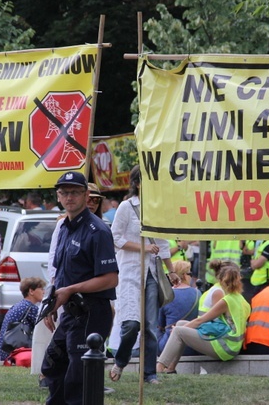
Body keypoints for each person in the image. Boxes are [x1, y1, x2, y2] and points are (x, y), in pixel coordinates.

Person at [40, 171, 118, 405]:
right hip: (69, 312)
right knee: (52, 366)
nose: (69, 197)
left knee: (78, 377)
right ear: (58, 196)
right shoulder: (64, 226)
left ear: (86, 195)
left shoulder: (98, 231)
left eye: (75, 192)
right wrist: (53, 299)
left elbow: (110, 279)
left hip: (91, 312)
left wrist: (70, 290)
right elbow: (61, 273)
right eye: (64, 192)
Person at [109, 165, 179, 385]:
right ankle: (121, 360)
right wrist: (143, 248)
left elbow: (162, 241)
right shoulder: (126, 207)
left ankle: (150, 373)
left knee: (150, 326)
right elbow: (115, 238)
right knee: (131, 325)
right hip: (129, 272)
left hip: (152, 274)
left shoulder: (158, 208)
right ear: (138, 183)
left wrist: (172, 270)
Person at [156, 264, 250, 374]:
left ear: (220, 280)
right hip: (232, 344)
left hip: (225, 347)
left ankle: (159, 367)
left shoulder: (226, 301)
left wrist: (176, 330)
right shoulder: (242, 300)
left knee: (178, 330)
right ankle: (170, 369)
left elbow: (200, 320)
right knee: (181, 324)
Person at [157, 260, 201, 355]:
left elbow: (160, 325)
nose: (191, 277)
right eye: (190, 273)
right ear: (184, 275)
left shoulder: (166, 296)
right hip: (193, 345)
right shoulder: (198, 294)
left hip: (168, 346)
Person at [0, 277, 46, 361]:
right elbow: (42, 328)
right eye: (41, 289)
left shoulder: (19, 305)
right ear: (31, 291)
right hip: (14, 352)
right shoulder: (30, 308)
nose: (44, 292)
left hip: (5, 349)